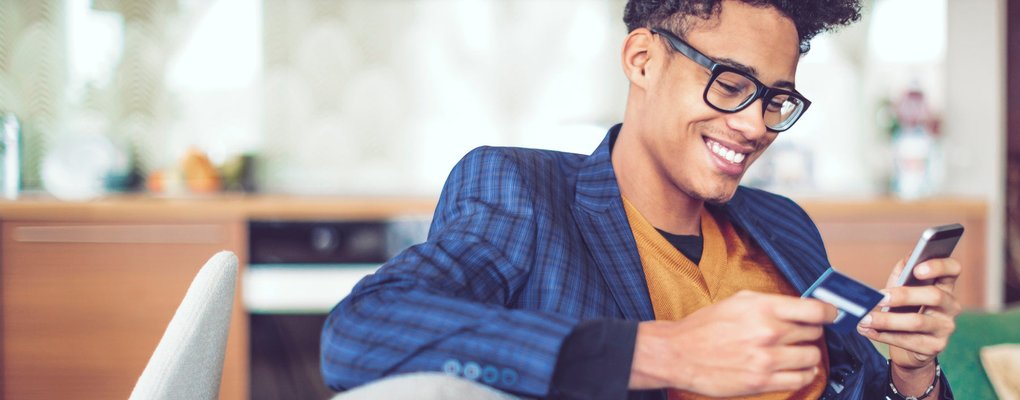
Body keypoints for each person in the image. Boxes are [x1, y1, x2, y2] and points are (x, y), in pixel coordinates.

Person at [322, 1, 962, 399]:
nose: (754, 124)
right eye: (730, 83)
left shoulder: (783, 225)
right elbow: (362, 333)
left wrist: (913, 377)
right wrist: (666, 352)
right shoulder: (523, 193)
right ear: (643, 60)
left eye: (775, 99)